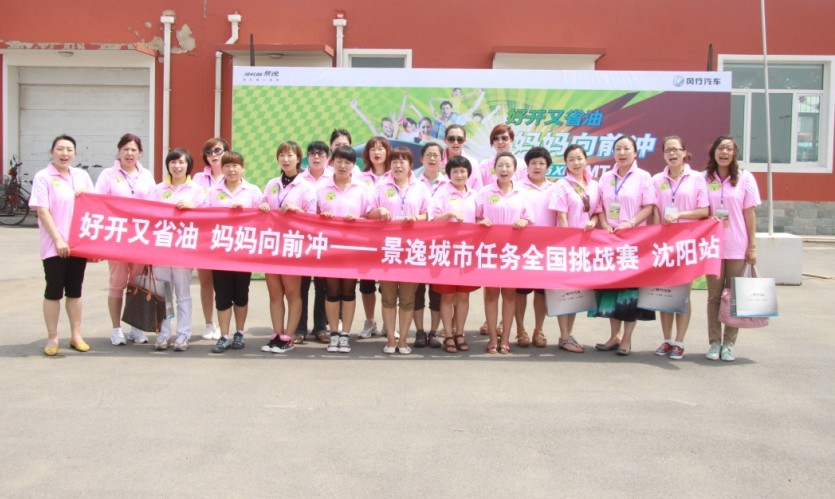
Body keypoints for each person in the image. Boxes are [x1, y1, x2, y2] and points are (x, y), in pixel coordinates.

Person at [30, 135, 95, 356]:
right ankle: (52, 337)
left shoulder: (81, 176)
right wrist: (58, 239)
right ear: (52, 152)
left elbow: (95, 206)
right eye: (60, 149)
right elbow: (42, 210)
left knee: (75, 291)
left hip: (78, 244)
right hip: (54, 245)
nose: (64, 153)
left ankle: (76, 335)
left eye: (69, 149)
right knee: (53, 291)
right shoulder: (43, 177)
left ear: (75, 153)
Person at [592, 135, 657, 356]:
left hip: (633, 240)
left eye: (626, 149)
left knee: (630, 292)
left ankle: (627, 339)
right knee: (611, 290)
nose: (622, 153)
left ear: (635, 153)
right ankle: (614, 336)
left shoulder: (643, 177)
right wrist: (604, 225)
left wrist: (630, 224)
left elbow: (649, 206)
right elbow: (599, 206)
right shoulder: (606, 177)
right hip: (610, 240)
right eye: (618, 148)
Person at [367, 147, 431, 354]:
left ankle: (403, 340)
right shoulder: (381, 186)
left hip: (412, 249)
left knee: (407, 298)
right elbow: (368, 212)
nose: (398, 165)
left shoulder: (420, 187)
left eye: (402, 161)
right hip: (389, 249)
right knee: (388, 297)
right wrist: (379, 211)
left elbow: (429, 214)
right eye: (394, 161)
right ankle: (390, 340)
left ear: (411, 165)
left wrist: (416, 218)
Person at [651, 136, 709, 361]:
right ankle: (666, 339)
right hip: (664, 246)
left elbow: (704, 210)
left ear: (684, 152)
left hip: (687, 244)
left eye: (676, 149)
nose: (672, 154)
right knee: (665, 294)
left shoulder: (697, 179)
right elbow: (655, 210)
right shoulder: (657, 179)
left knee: (683, 294)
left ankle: (679, 341)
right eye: (668, 150)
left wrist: (679, 215)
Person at [95, 133, 156, 346]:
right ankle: (116, 329)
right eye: (125, 149)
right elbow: (97, 203)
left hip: (141, 238)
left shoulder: (146, 175)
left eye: (133, 150)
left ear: (140, 153)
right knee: (117, 284)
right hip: (117, 238)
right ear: (119, 151)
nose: (129, 153)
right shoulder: (107, 175)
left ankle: (136, 328)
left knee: (137, 283)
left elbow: (155, 204)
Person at [703, 136, 761, 362]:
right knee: (714, 297)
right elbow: (700, 209)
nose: (724, 152)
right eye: (720, 148)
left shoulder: (745, 178)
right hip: (713, 247)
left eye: (729, 148)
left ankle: (729, 344)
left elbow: (749, 213)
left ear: (735, 153)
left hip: (738, 246)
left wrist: (752, 246)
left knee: (734, 296)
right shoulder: (703, 178)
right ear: (714, 152)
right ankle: (714, 342)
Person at [259, 141, 317, 354]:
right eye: (282, 155)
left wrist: (297, 211)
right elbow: (261, 206)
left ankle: (288, 336)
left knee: (293, 293)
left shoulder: (306, 186)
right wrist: (262, 207)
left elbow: (313, 219)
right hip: (272, 244)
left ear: (298, 159)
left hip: (294, 245)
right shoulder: (272, 184)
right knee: (275, 294)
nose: (285, 159)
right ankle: (277, 334)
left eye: (290, 155)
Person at [475, 152, 534, 354]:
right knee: (491, 295)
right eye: (500, 165)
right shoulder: (485, 192)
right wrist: (480, 222)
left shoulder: (522, 193)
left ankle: (506, 338)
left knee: (509, 296)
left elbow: (530, 218)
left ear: (515, 170)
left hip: (512, 252)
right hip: (490, 251)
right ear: (494, 169)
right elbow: (475, 218)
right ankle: (493, 338)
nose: (504, 169)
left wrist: (524, 221)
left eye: (508, 166)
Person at [148, 148, 206, 351]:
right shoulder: (158, 189)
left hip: (184, 250)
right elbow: (147, 214)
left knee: (183, 294)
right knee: (164, 294)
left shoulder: (197, 190)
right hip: (162, 249)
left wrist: (193, 208)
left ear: (188, 165)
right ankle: (164, 334)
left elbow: (207, 217)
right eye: (173, 162)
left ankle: (183, 334)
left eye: (181, 162)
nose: (177, 166)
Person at [204, 151, 262, 353]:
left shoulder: (253, 191)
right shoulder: (213, 192)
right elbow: (204, 217)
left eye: (235, 165)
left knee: (241, 294)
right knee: (222, 295)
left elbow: (262, 219)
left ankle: (239, 333)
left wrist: (248, 212)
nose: (231, 170)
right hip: (220, 253)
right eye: (227, 166)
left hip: (243, 252)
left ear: (242, 168)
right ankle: (224, 336)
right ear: (222, 168)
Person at [316, 146, 372, 353]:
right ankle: (334, 333)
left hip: (352, 248)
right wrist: (321, 218)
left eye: (348, 162)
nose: (343, 166)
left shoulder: (362, 188)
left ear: (353, 166)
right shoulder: (322, 187)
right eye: (339, 161)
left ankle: (345, 334)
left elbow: (369, 216)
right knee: (331, 292)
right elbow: (310, 216)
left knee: (348, 291)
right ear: (332, 163)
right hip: (329, 248)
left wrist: (358, 220)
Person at [549, 145, 600, 353]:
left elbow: (597, 212)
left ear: (586, 160)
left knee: (577, 292)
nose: (576, 163)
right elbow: (561, 216)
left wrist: (593, 222)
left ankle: (568, 334)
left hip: (586, 246)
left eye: (579, 158)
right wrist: (568, 243)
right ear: (566, 162)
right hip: (567, 245)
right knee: (565, 291)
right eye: (571, 159)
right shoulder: (562, 185)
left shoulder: (594, 185)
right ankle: (563, 336)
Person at [431, 155, 479, 353]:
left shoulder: (475, 194)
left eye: (463, 171)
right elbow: (433, 219)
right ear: (449, 174)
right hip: (446, 252)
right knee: (447, 297)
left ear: (468, 173)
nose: (459, 175)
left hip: (467, 252)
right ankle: (448, 335)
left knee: (463, 296)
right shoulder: (442, 193)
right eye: (455, 171)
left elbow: (480, 217)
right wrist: (449, 214)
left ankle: (460, 333)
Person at [514, 147, 557, 348]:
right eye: (533, 163)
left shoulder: (555, 188)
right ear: (527, 166)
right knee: (520, 292)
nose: (537, 167)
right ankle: (520, 330)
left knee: (541, 293)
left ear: (547, 167)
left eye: (541, 163)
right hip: (522, 248)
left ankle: (538, 330)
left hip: (546, 248)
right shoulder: (517, 187)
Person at [192, 137, 230, 341]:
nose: (213, 155)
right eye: (209, 152)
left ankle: (227, 326)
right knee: (206, 283)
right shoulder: (198, 179)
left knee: (225, 284)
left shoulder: (232, 174)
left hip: (227, 238)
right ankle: (209, 323)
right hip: (204, 237)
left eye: (218, 151)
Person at [355, 137, 392, 339]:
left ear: (388, 151)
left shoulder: (395, 174)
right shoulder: (360, 178)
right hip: (366, 239)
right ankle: (370, 321)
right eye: (373, 149)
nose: (377, 153)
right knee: (367, 283)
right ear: (367, 154)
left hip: (390, 240)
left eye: (381, 149)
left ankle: (389, 323)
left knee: (388, 284)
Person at [412, 142, 447, 348]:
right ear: (421, 159)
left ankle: (434, 331)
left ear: (442, 159)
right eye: (429, 155)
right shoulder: (414, 183)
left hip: (441, 246)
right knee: (416, 291)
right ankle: (419, 331)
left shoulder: (449, 184)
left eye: (436, 155)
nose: (432, 159)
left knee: (437, 292)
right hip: (417, 244)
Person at [297, 141, 333, 344]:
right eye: (312, 154)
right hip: (303, 239)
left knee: (323, 286)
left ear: (327, 157)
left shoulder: (334, 178)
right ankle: (300, 328)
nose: (316, 157)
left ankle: (320, 327)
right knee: (301, 286)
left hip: (326, 239)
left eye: (320, 154)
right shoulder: (300, 179)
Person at [469, 124, 527, 191]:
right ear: (492, 142)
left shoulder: (522, 165)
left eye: (504, 138)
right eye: (496, 138)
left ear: (511, 140)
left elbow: (525, 189)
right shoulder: (484, 165)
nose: (500, 142)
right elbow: (478, 189)